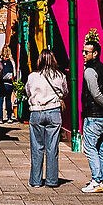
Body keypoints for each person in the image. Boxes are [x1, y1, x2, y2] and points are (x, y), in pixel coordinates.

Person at [24, 47, 67, 188]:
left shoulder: (32, 76)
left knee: (37, 147)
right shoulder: (60, 76)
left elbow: (28, 91)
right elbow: (65, 92)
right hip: (54, 112)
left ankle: (36, 181)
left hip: (36, 112)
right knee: (52, 147)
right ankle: (52, 180)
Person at [79, 34, 103, 193]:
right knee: (102, 148)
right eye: (83, 51)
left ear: (95, 53)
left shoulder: (89, 71)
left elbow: (96, 94)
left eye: (86, 52)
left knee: (90, 148)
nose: (83, 55)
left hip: (94, 116)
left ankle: (96, 180)